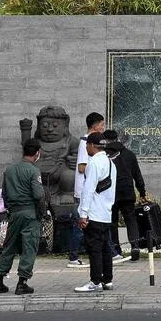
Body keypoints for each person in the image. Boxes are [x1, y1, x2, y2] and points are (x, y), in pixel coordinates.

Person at [0, 138, 46, 296]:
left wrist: (11, 209)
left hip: (14, 214)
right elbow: (38, 195)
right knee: (29, 247)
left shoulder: (9, 170)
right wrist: (41, 213)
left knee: (9, 247)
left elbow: (5, 195)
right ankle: (22, 283)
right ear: (37, 153)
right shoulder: (33, 171)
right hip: (30, 214)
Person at [74, 132, 116, 293]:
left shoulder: (93, 163)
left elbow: (88, 190)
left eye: (87, 145)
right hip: (106, 213)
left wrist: (83, 214)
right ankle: (108, 280)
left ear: (92, 145)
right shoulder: (111, 163)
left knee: (94, 249)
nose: (86, 147)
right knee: (106, 248)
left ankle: (95, 280)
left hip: (94, 213)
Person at [67, 111, 105, 267]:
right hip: (84, 190)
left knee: (89, 224)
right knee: (81, 224)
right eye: (102, 125)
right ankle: (73, 257)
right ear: (94, 125)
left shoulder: (91, 142)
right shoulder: (85, 143)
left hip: (90, 190)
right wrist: (97, 170)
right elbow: (82, 167)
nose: (103, 128)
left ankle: (108, 252)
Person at [102, 129, 145, 261]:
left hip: (111, 193)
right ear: (117, 139)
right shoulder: (129, 154)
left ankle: (116, 250)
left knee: (113, 222)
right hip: (127, 192)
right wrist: (142, 192)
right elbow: (137, 175)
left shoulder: (104, 155)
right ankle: (135, 245)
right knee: (131, 220)